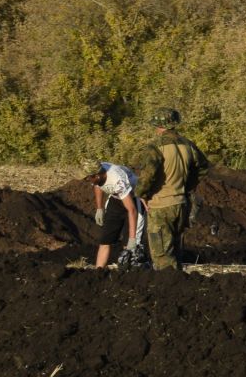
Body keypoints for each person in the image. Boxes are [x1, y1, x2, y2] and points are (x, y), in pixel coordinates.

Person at [129, 109, 210, 270]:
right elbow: (203, 167)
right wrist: (187, 186)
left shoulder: (155, 147)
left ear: (159, 126)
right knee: (175, 250)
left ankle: (167, 288)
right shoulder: (188, 145)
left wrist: (141, 194)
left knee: (162, 257)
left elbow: (147, 176)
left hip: (161, 206)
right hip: (181, 204)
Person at [85, 161, 148, 268]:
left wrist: (132, 239)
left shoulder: (117, 181)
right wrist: (99, 208)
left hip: (134, 199)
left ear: (96, 175)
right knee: (105, 239)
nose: (86, 180)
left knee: (128, 244)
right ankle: (98, 271)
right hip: (116, 199)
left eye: (87, 178)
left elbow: (132, 210)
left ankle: (129, 271)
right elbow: (97, 185)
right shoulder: (97, 170)